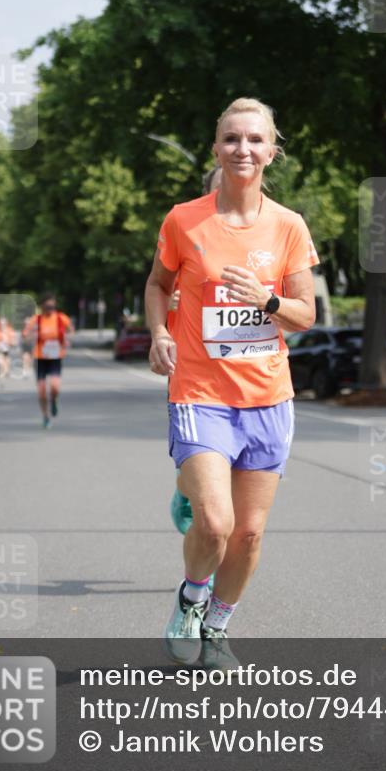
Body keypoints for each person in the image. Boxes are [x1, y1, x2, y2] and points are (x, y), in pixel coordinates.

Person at [145, 97, 318, 669]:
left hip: (268, 397)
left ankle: (217, 623)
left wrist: (266, 300)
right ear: (216, 148)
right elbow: (156, 283)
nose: (242, 149)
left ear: (272, 151)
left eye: (254, 140)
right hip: (200, 390)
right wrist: (158, 332)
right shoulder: (184, 220)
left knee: (246, 536)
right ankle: (190, 599)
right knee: (215, 524)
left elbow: (304, 314)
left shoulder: (289, 226)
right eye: (231, 139)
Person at [169, 163, 222, 536]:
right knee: (204, 479)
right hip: (192, 373)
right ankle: (184, 491)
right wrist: (174, 302)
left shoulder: (267, 232)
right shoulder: (186, 229)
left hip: (247, 378)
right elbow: (156, 289)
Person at [23, 294, 74, 428]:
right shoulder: (36, 320)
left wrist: (67, 339)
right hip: (40, 357)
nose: (50, 309)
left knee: (55, 386)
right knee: (41, 390)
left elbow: (71, 331)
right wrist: (31, 336)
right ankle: (46, 417)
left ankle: (54, 400)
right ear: (42, 307)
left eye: (52, 306)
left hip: (55, 356)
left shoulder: (61, 318)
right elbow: (25, 336)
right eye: (48, 306)